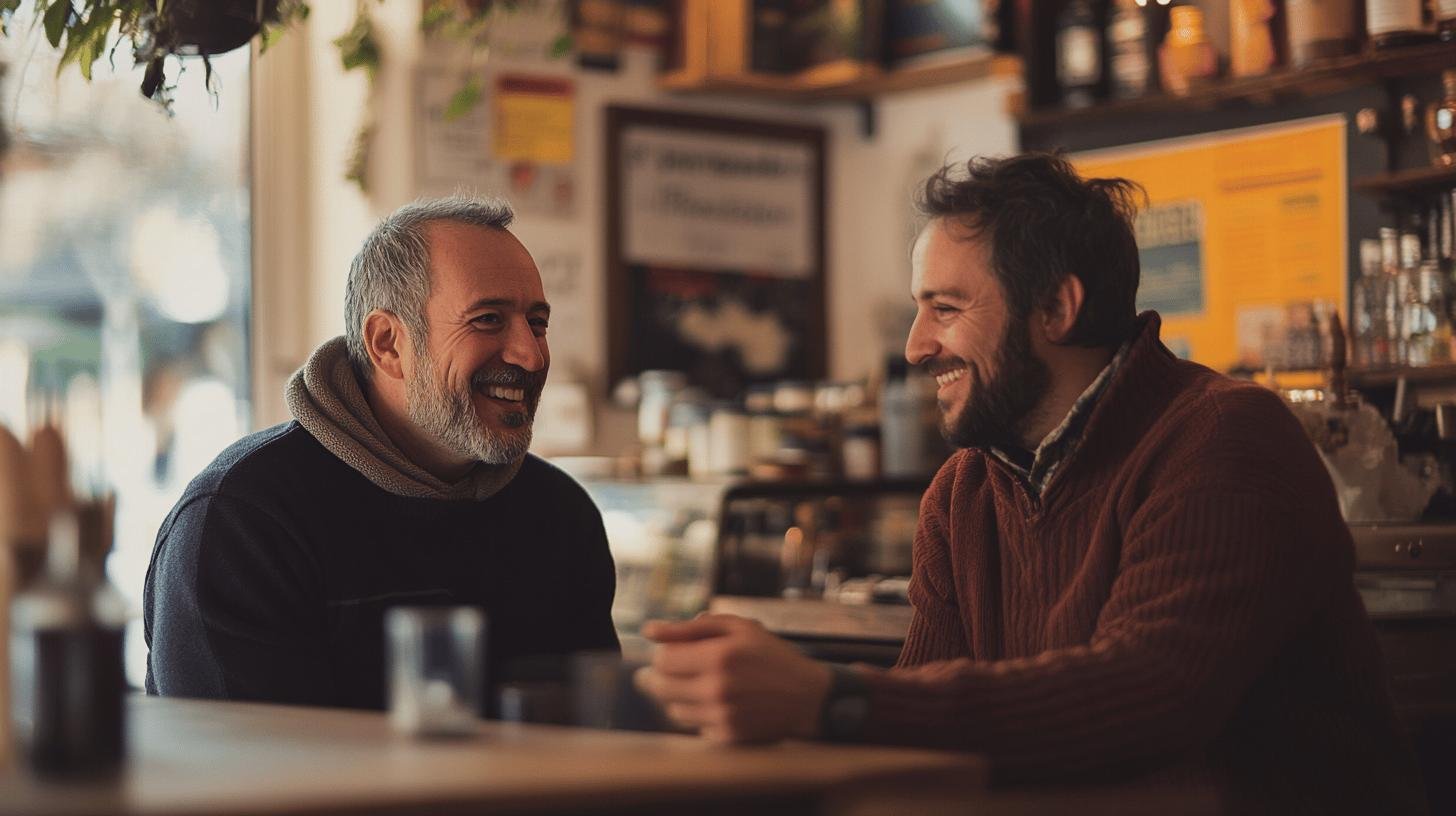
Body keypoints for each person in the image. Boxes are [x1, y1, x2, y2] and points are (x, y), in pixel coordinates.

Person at [634, 154, 1425, 812]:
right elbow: (927, 760)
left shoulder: (1221, 437)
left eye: (945, 308)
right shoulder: (963, 492)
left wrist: (830, 699)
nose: (915, 347)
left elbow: (1152, 695)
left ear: (1056, 307)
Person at [144, 197, 618, 711]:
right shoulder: (242, 520)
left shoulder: (560, 515)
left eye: (538, 323)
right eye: (487, 320)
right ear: (388, 343)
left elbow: (601, 738)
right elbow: (243, 775)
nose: (530, 353)